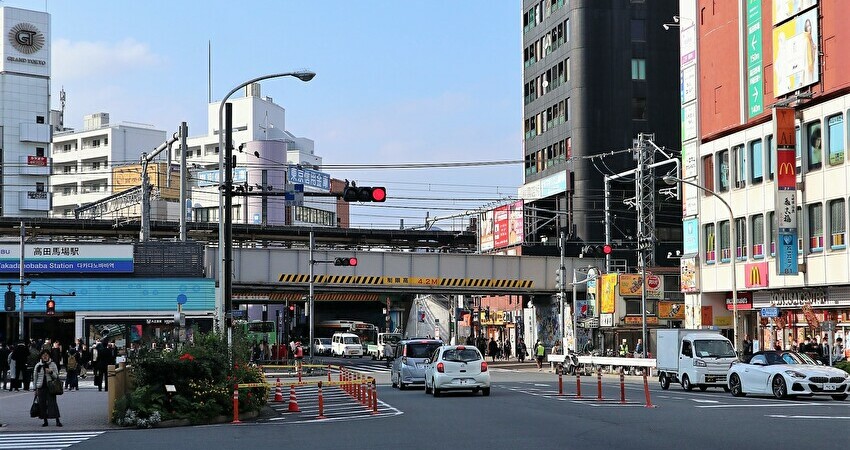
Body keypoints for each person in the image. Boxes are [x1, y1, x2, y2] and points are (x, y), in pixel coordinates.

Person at [33, 350, 62, 427]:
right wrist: (35, 388)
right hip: (41, 387)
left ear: (49, 356)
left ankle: (57, 421)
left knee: (53, 404)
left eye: (46, 355)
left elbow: (56, 376)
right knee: (42, 405)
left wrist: (51, 372)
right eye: (43, 355)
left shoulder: (52, 364)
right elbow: (35, 377)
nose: (45, 357)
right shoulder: (38, 365)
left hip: (50, 387)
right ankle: (45, 421)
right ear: (41, 356)